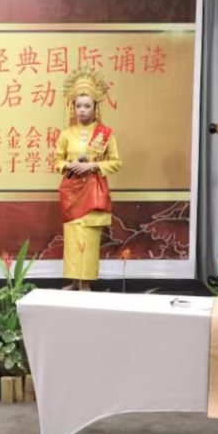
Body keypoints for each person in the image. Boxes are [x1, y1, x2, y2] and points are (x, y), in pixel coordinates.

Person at [54, 65, 122, 291]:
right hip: (71, 191)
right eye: (78, 106)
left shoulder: (105, 134)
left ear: (95, 108)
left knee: (89, 241)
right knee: (73, 239)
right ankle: (75, 281)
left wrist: (92, 165)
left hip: (93, 192)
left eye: (87, 106)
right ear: (72, 107)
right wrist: (69, 165)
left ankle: (86, 284)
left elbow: (115, 163)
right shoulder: (66, 134)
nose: (82, 110)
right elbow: (57, 161)